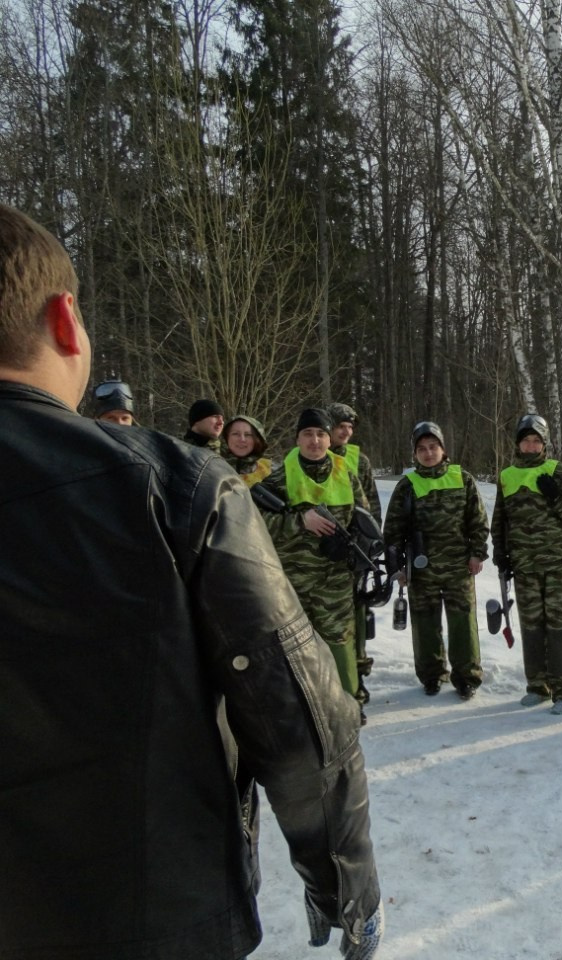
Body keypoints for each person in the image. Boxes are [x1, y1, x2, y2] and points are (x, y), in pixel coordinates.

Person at [0, 203, 381, 959]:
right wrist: (345, 886)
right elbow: (300, 720)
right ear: (67, 323)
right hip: (155, 916)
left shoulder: (216, 481)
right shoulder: (174, 487)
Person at [256, 407, 370, 705]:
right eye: (308, 434)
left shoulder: (346, 472)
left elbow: (364, 518)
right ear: (297, 439)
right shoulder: (277, 477)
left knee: (340, 643)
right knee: (296, 646)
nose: (315, 440)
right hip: (293, 580)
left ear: (330, 439)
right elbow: (255, 524)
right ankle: (305, 707)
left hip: (336, 579)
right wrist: (299, 522)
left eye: (321, 434)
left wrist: (352, 547)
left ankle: (349, 704)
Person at [382, 420, 489, 700]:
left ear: (443, 449)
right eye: (422, 449)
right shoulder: (407, 485)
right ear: (415, 454)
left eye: (433, 447)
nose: (428, 453)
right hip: (421, 570)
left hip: (458, 567)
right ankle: (431, 675)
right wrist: (397, 569)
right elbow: (392, 532)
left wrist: (477, 552)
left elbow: (477, 521)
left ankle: (466, 678)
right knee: (425, 624)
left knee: (463, 624)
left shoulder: (462, 478)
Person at [491, 413, 562, 714]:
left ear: (544, 444)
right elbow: (500, 520)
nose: (531, 446)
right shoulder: (507, 476)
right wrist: (500, 552)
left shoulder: (557, 470)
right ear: (518, 443)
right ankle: (538, 685)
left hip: (558, 566)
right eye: (526, 440)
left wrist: (556, 496)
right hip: (525, 567)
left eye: (536, 441)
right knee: (532, 626)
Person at [330, 402, 380, 704]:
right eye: (340, 427)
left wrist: (373, 543)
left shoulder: (358, 460)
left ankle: (358, 667)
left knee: (358, 610)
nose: (346, 433)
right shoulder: (303, 457)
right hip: (319, 553)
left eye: (350, 428)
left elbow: (371, 503)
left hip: (357, 548)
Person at [224, 414, 272, 486]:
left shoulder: (269, 473)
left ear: (257, 440)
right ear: (226, 438)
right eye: (235, 434)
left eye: (248, 435)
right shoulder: (211, 467)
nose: (242, 439)